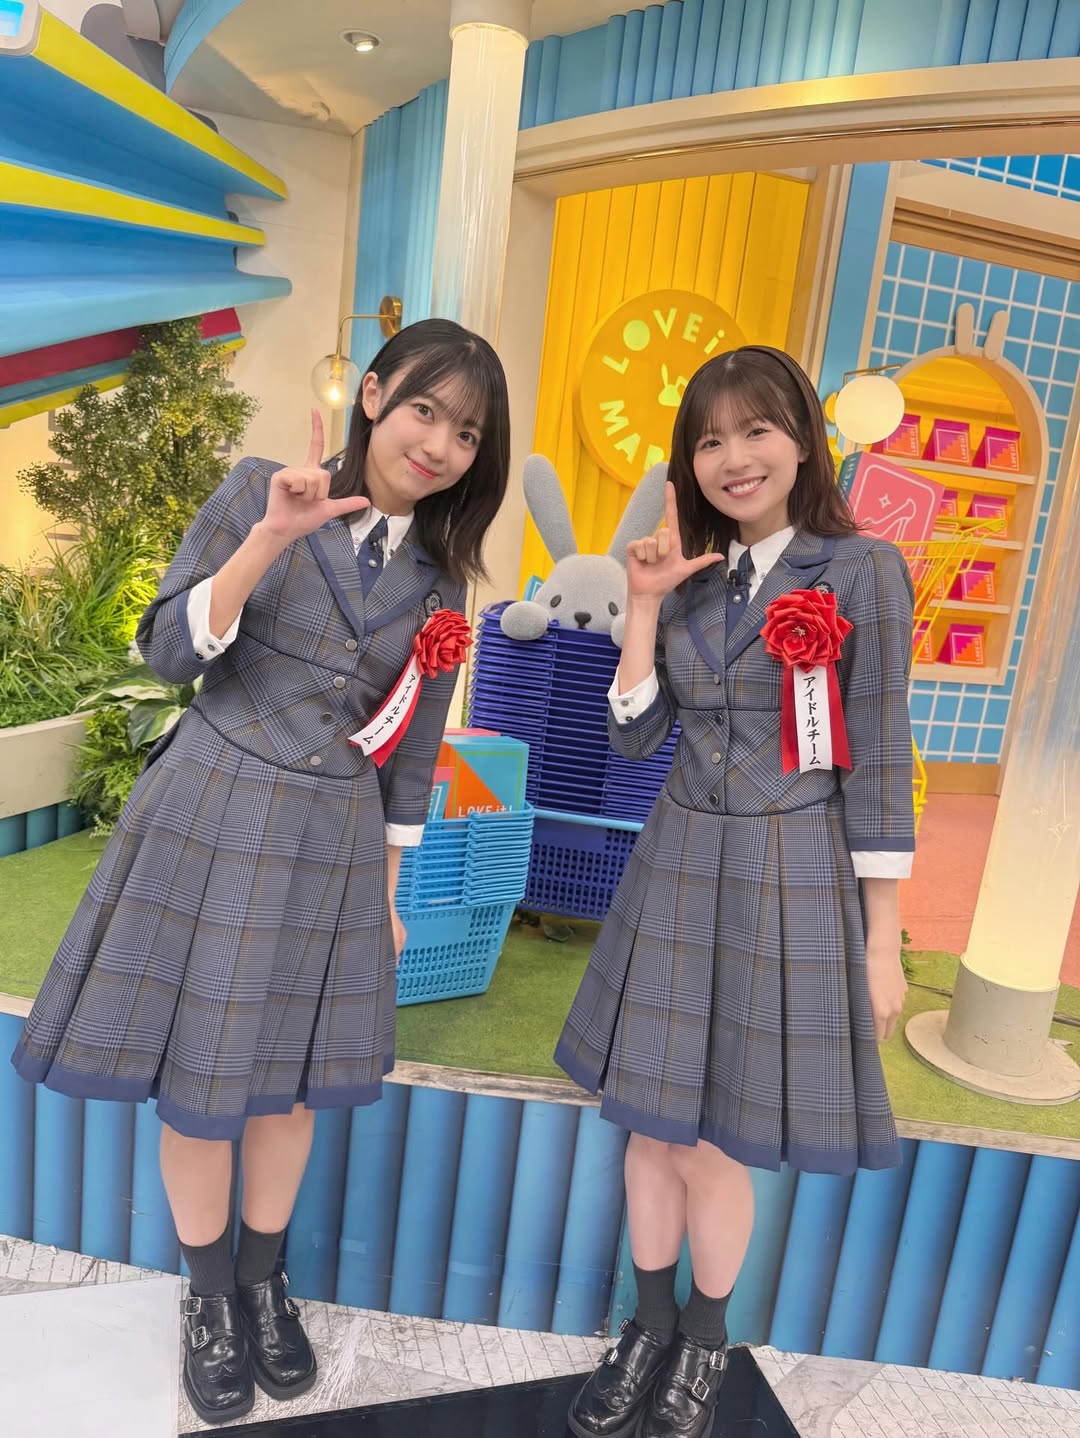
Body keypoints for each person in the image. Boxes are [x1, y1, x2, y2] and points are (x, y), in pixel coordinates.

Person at [11, 318, 510, 1426]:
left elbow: (414, 753)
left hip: (336, 840)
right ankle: (207, 1296)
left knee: (290, 1082)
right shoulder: (258, 490)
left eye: (468, 433)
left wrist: (391, 894)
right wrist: (271, 539)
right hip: (212, 809)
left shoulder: (442, 583)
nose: (438, 444)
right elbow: (166, 652)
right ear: (373, 397)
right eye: (424, 409)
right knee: (202, 1075)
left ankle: (261, 1278)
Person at [556, 346, 915, 1438]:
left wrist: (883, 941)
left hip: (787, 872)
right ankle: (648, 1325)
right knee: (652, 1128)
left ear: (803, 438)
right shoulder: (692, 581)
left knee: (716, 1140)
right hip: (674, 865)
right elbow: (633, 741)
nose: (733, 457)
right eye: (709, 440)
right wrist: (642, 606)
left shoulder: (861, 572)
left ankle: (704, 1342)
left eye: (756, 429)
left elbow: (878, 758)